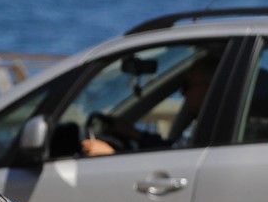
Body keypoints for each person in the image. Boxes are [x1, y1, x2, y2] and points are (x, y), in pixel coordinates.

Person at [82, 54, 219, 157]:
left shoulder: (213, 126)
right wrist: (134, 133)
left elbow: (175, 164)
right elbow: (172, 149)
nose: (183, 92)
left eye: (187, 85)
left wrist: (111, 155)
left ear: (208, 87)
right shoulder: (205, 124)